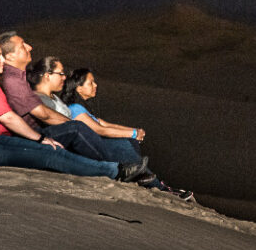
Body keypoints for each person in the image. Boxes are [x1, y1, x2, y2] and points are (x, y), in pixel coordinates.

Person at [0, 36, 151, 183]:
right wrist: (40, 138)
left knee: (51, 150)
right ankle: (116, 171)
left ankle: (120, 169)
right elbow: (9, 118)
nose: (2, 61)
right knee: (49, 155)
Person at [55, 63, 194, 201]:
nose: (95, 85)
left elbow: (103, 123)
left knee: (128, 141)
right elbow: (99, 129)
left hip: (99, 146)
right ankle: (160, 187)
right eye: (90, 83)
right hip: (95, 150)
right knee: (124, 143)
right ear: (78, 88)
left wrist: (134, 131)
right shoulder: (74, 108)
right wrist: (132, 134)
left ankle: (142, 177)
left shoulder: (79, 108)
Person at [0, 32, 130, 165]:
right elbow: (43, 114)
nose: (29, 47)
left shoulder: (19, 79)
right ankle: (117, 168)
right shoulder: (12, 80)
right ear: (10, 56)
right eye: (23, 46)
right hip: (30, 135)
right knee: (77, 129)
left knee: (122, 142)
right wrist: (72, 124)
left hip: (34, 133)